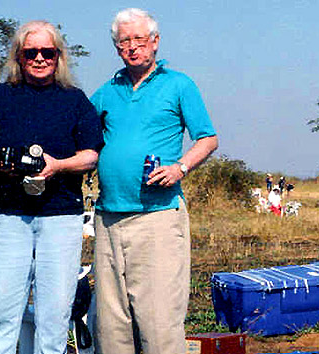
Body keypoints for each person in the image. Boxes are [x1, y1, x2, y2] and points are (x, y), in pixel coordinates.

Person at [0, 20, 103, 354]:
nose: (39, 58)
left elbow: (90, 155)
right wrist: (1, 162)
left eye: (47, 52)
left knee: (55, 313)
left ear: (59, 56)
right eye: (31, 52)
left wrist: (57, 166)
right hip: (7, 217)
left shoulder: (75, 100)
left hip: (60, 218)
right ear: (19, 56)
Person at [88, 8, 218, 354]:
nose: (132, 47)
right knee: (110, 324)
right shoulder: (105, 92)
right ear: (116, 47)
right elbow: (81, 138)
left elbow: (207, 138)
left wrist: (181, 168)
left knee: (159, 321)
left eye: (139, 40)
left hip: (158, 217)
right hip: (107, 219)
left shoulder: (179, 84)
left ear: (155, 42)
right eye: (124, 41)